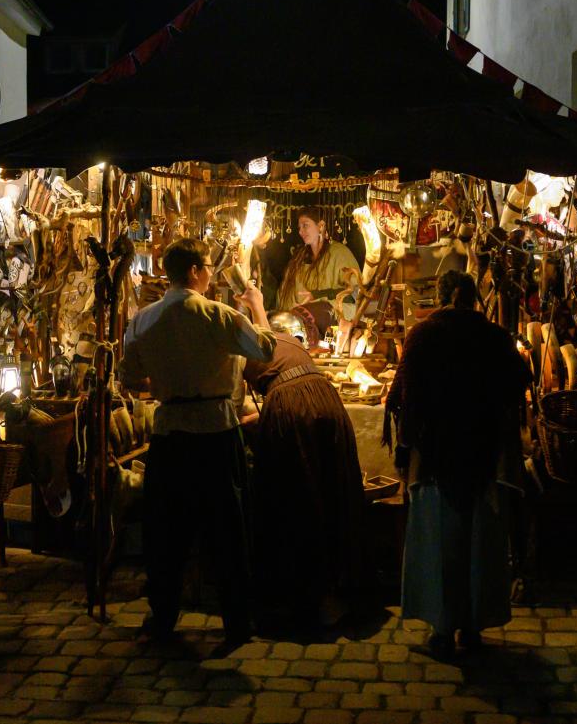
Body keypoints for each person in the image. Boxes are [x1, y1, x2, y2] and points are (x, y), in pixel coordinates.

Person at [120, 237, 276, 647]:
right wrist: (257, 306)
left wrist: (168, 381)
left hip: (169, 432)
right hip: (214, 431)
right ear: (194, 271)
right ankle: (236, 623)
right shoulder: (215, 315)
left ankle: (164, 616)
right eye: (208, 266)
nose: (210, 272)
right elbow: (266, 347)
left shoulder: (144, 320)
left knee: (166, 532)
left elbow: (129, 377)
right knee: (226, 531)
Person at [386, 269, 529, 659]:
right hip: (480, 452)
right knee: (478, 542)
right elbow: (521, 379)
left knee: (440, 542)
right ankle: (471, 628)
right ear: (471, 297)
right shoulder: (494, 337)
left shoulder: (424, 335)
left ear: (441, 295)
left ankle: (442, 630)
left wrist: (405, 445)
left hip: (435, 454)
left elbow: (405, 395)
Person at [240, 321, 366, 629]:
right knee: (334, 487)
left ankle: (306, 597)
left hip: (291, 407)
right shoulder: (282, 340)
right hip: (325, 396)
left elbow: (238, 407)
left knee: (298, 494)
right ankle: (341, 590)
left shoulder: (238, 351)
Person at [275, 206, 359, 310]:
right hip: (297, 318)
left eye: (305, 225)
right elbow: (285, 292)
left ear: (321, 226)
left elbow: (355, 293)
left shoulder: (340, 253)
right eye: (299, 228)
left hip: (333, 315)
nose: (300, 232)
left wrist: (319, 296)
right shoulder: (299, 258)